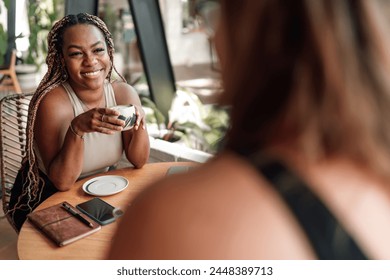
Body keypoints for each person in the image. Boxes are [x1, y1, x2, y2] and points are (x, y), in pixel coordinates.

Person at [109, 0, 390, 260]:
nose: (212, 34)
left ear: (254, 32)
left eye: (217, 12)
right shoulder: (374, 176)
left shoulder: (176, 218)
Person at [8, 13, 150, 232]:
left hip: (98, 192)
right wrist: (77, 128)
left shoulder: (123, 93)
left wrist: (140, 121)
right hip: (46, 198)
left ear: (109, 52)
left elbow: (138, 160)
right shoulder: (53, 103)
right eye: (76, 53)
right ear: (62, 59)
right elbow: (62, 182)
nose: (90, 61)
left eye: (98, 50)